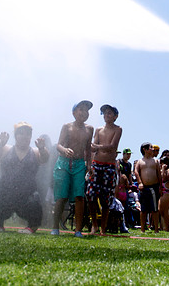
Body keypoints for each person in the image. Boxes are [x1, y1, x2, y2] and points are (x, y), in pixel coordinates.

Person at [0, 123, 49, 233]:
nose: (25, 137)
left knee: (35, 201)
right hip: (6, 192)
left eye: (28, 134)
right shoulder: (6, 149)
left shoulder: (35, 151)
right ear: (15, 136)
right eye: (21, 134)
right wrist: (1, 142)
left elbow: (44, 159)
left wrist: (42, 148)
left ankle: (31, 227)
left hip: (27, 193)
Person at [51, 100, 93, 238]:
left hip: (79, 164)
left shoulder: (89, 129)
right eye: (81, 109)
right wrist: (65, 150)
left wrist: (89, 165)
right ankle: (55, 227)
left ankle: (78, 230)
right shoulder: (67, 126)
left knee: (79, 196)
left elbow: (88, 149)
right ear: (74, 112)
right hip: (63, 162)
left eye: (86, 110)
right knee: (61, 196)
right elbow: (58, 145)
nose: (84, 112)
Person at [86, 104, 122, 234]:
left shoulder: (118, 129)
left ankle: (103, 227)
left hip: (109, 166)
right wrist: (89, 165)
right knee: (91, 195)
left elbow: (112, 146)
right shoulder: (99, 129)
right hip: (96, 164)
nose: (107, 115)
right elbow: (92, 147)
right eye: (105, 113)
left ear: (115, 116)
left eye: (110, 113)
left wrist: (97, 146)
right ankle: (94, 225)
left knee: (106, 198)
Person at [134, 142, 162, 233]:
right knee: (143, 209)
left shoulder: (156, 161)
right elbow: (136, 172)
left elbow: (159, 174)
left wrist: (160, 187)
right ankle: (142, 229)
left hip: (154, 187)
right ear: (144, 149)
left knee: (154, 209)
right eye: (150, 147)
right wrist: (140, 182)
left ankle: (156, 229)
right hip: (144, 188)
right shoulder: (140, 161)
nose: (152, 149)